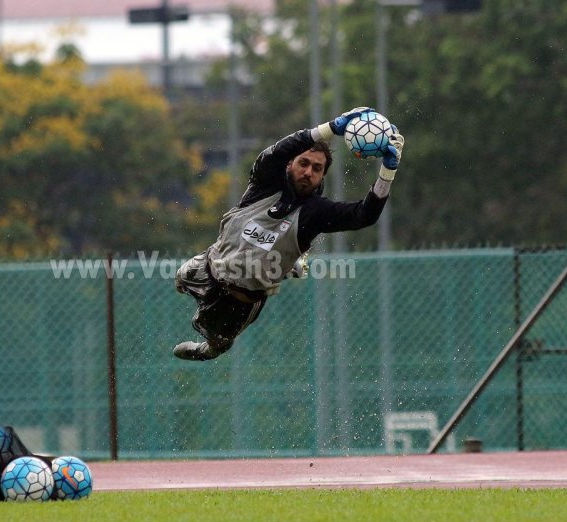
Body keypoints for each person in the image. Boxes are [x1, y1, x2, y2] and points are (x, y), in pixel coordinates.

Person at [173, 107, 405, 361]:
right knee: (179, 280)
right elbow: (277, 151)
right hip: (208, 265)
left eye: (317, 168)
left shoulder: (315, 213)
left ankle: (213, 348)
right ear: (290, 164)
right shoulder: (264, 184)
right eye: (303, 163)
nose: (308, 172)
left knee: (215, 339)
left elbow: (364, 215)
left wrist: (387, 173)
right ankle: (291, 262)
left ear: (322, 177)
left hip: (239, 301)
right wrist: (330, 128)